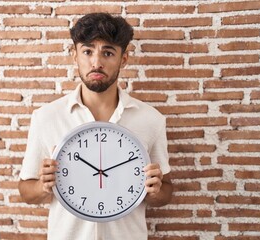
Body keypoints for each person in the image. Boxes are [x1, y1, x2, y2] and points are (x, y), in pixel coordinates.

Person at [18, 12, 173, 240]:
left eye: (108, 53)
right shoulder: (46, 117)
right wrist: (42, 186)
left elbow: (166, 192)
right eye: (88, 51)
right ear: (75, 55)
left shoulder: (151, 119)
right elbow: (25, 190)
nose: (96, 62)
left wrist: (156, 191)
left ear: (124, 59)